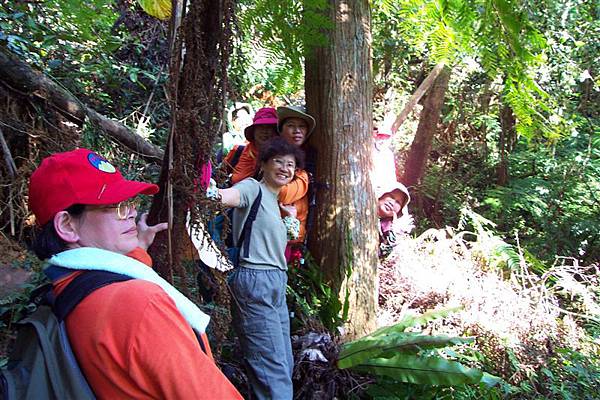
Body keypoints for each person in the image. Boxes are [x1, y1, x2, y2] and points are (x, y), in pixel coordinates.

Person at [28, 148, 242, 399]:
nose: (130, 212)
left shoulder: (65, 286)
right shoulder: (138, 304)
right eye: (115, 206)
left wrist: (137, 252)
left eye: (129, 203)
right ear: (67, 225)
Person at [215, 137, 304, 400]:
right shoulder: (253, 188)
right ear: (263, 164)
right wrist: (210, 190)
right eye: (278, 161)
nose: (285, 168)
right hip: (255, 281)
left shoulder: (277, 206)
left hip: (276, 284)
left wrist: (289, 219)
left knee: (283, 364)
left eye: (290, 165)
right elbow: (226, 197)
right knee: (272, 371)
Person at [276, 105, 317, 250]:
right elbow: (282, 194)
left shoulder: (311, 156)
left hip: (295, 235)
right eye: (291, 126)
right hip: (274, 233)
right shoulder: (273, 155)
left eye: (301, 126)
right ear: (281, 130)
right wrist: (304, 176)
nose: (297, 131)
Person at [223, 107, 278, 185]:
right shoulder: (238, 151)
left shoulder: (282, 158)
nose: (265, 131)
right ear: (254, 131)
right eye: (261, 126)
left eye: (269, 127)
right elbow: (218, 175)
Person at [376, 180, 414, 256]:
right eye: (391, 196)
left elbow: (385, 253)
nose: (392, 203)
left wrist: (393, 234)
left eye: (398, 202)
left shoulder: (389, 228)